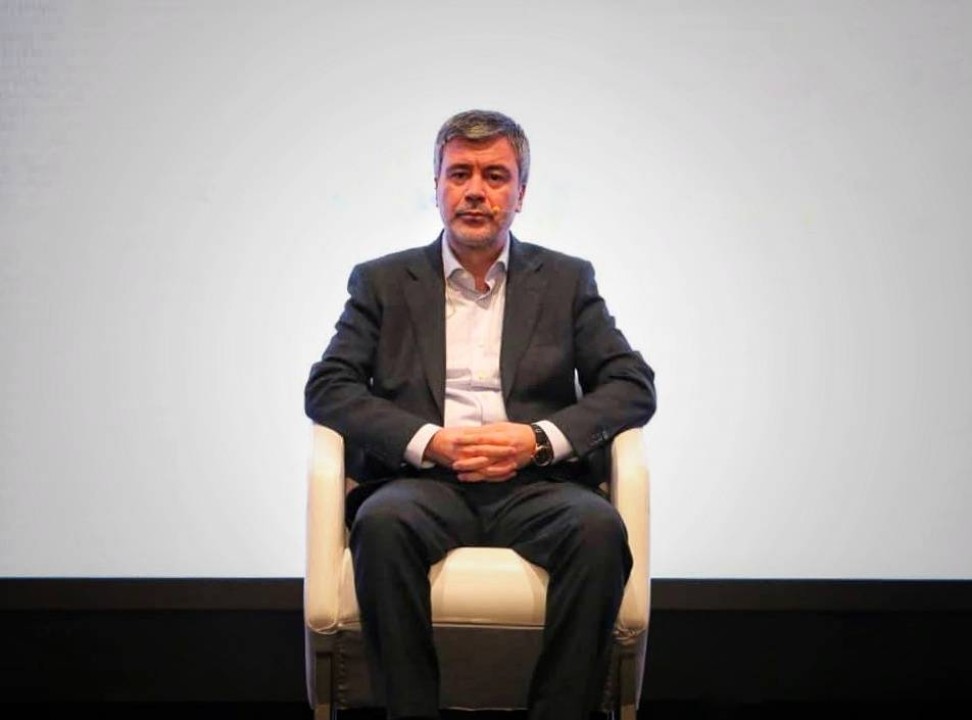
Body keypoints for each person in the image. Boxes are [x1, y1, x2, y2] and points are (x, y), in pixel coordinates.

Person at [304, 109, 656, 720]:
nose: (475, 191)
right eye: (459, 174)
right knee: (381, 526)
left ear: (521, 193)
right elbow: (329, 387)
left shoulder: (566, 280)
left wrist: (537, 439)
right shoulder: (382, 282)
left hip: (537, 485)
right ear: (437, 186)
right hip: (422, 484)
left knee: (598, 531)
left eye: (495, 176)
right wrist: (428, 440)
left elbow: (631, 383)